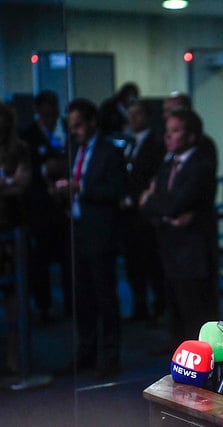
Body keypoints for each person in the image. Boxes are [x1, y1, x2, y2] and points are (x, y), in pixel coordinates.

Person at [54, 98, 127, 380]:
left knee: (105, 296)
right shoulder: (73, 148)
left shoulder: (110, 151)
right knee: (81, 296)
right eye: (71, 126)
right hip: (76, 230)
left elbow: (117, 190)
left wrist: (80, 187)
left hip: (100, 233)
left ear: (92, 122)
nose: (75, 131)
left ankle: (109, 357)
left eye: (79, 125)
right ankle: (86, 352)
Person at [140, 108, 218, 348]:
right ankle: (178, 351)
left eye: (176, 131)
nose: (168, 136)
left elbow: (173, 203)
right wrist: (161, 210)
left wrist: (155, 202)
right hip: (170, 246)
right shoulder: (167, 165)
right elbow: (151, 206)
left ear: (191, 136)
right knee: (174, 303)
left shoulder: (200, 165)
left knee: (195, 309)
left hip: (193, 251)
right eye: (168, 131)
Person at [19, 90, 72, 321]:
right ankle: (44, 306)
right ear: (38, 110)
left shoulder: (65, 132)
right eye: (47, 109)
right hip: (39, 209)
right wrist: (44, 170)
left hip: (64, 209)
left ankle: (71, 305)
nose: (52, 113)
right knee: (39, 261)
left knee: (68, 260)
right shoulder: (27, 136)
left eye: (55, 108)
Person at [120, 100, 165, 323]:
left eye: (136, 115)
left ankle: (158, 307)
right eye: (130, 115)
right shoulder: (129, 143)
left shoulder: (155, 143)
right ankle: (140, 306)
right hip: (129, 218)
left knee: (151, 264)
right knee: (134, 265)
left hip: (146, 216)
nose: (132, 119)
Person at [0, 102, 31, 378]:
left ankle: (14, 358)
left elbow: (21, 183)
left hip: (11, 228)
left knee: (13, 297)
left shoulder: (18, 148)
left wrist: (8, 183)